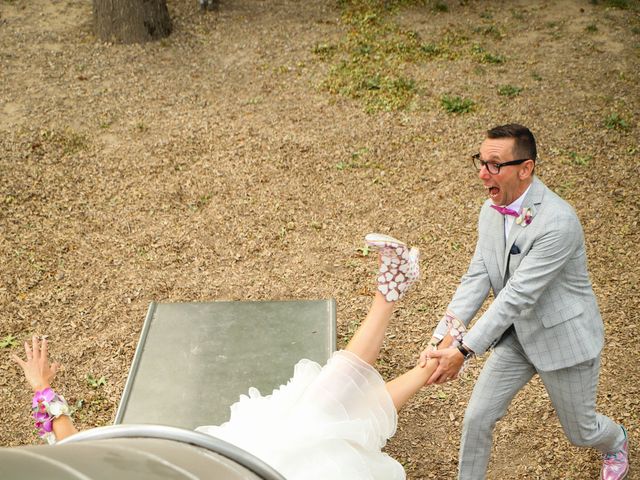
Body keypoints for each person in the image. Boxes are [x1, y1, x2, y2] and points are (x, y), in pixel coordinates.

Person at [13, 233, 461, 480]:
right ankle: (399, 307)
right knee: (325, 421)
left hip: (222, 460)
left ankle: (404, 319)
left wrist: (42, 388)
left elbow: (73, 446)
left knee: (322, 410)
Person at [419, 124, 629, 480]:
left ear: (526, 168)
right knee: (477, 417)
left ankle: (615, 441)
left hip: (562, 339)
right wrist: (444, 336)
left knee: (581, 432)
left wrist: (464, 350)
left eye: (494, 164)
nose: (483, 173)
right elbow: (477, 276)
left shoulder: (558, 222)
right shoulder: (490, 211)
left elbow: (517, 295)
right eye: (480, 162)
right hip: (516, 337)